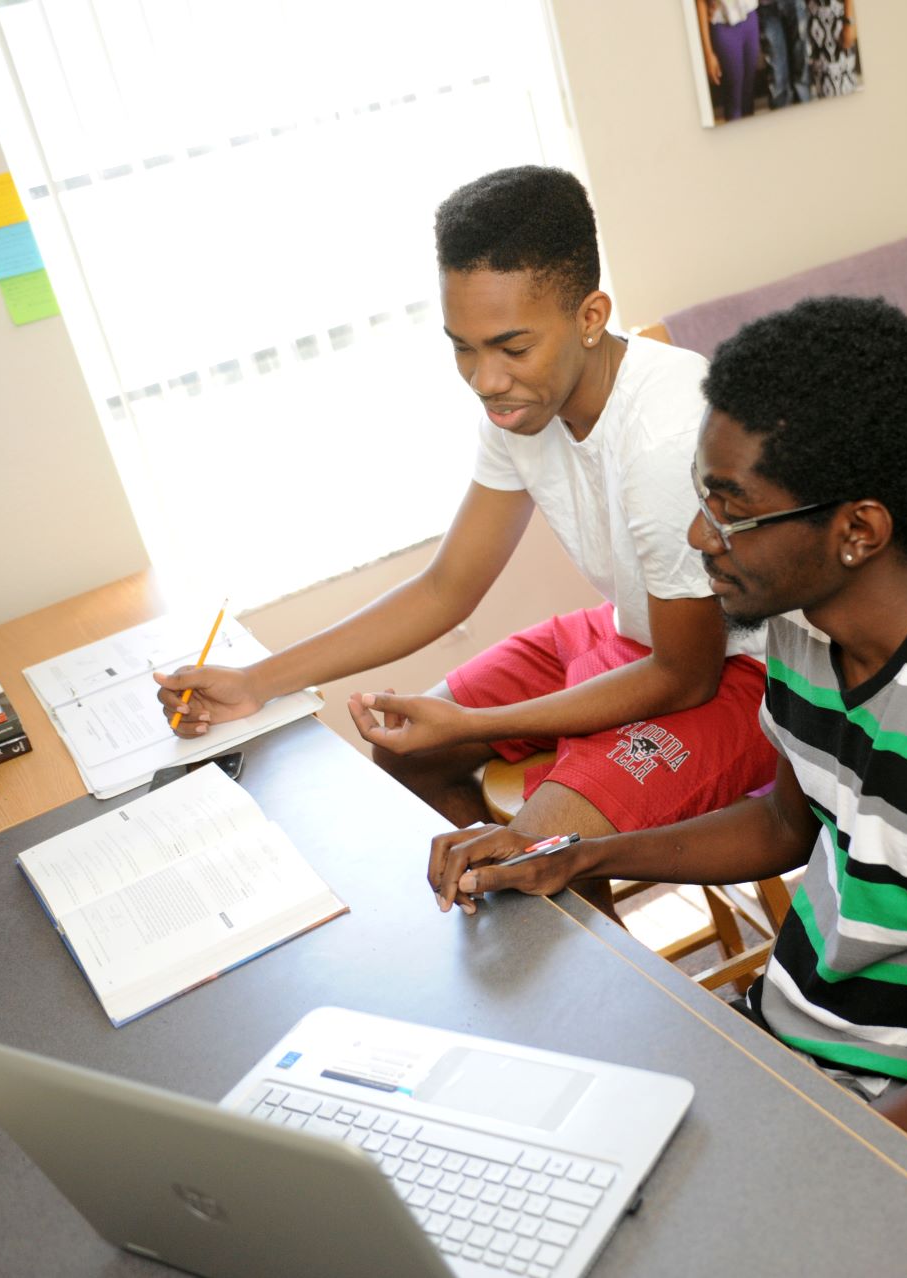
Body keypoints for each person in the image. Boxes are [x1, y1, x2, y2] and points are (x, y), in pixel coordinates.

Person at [425, 296, 907, 1256]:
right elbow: (783, 828)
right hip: (783, 1059)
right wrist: (577, 855)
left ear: (857, 531)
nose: (701, 536)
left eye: (730, 508)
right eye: (702, 498)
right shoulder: (805, 630)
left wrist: (738, 1199)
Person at [156, 167, 776, 915]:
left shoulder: (664, 434)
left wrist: (480, 726)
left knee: (528, 855)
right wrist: (257, 681)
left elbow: (686, 677)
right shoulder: (521, 410)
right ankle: (555, 929)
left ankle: (573, 955)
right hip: (635, 635)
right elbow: (447, 587)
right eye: (463, 349)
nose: (485, 380)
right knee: (409, 753)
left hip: (744, 675)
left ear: (590, 316)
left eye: (512, 347)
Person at [696, 0, 761, 122]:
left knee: (748, 96)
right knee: (734, 99)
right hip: (723, 25)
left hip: (750, 19)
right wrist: (708, 54)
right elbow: (701, 3)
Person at [759, 0, 810, 110]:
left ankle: (808, 122)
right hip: (766, 7)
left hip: (794, 4)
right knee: (777, 81)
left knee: (801, 75)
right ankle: (784, 126)